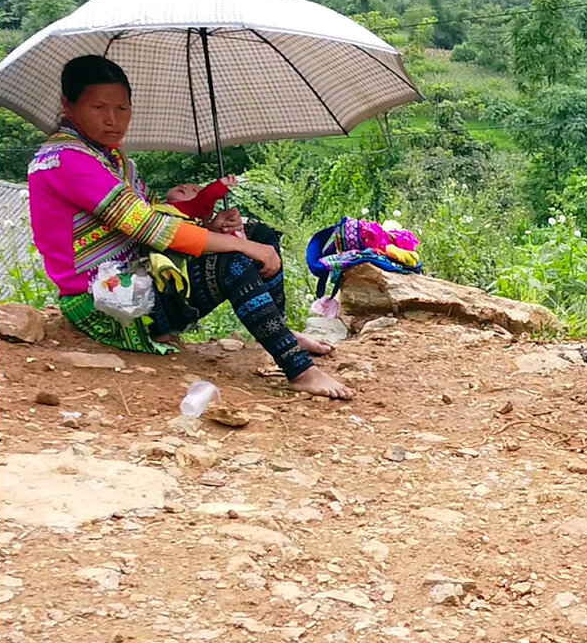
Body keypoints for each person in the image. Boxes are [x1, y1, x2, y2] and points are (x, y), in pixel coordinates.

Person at [27, 55, 353, 399]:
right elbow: (148, 227)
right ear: (68, 105)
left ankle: (280, 330)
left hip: (136, 277)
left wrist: (210, 225)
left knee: (257, 234)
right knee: (234, 258)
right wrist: (238, 246)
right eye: (99, 107)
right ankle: (298, 368)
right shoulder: (65, 161)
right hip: (107, 302)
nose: (113, 119)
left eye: (122, 108)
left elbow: (150, 212)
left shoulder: (111, 157)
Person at [166, 175, 245, 238]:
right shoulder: (160, 207)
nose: (184, 187)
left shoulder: (190, 210)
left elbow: (204, 199)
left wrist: (221, 184)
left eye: (194, 190)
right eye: (181, 185)